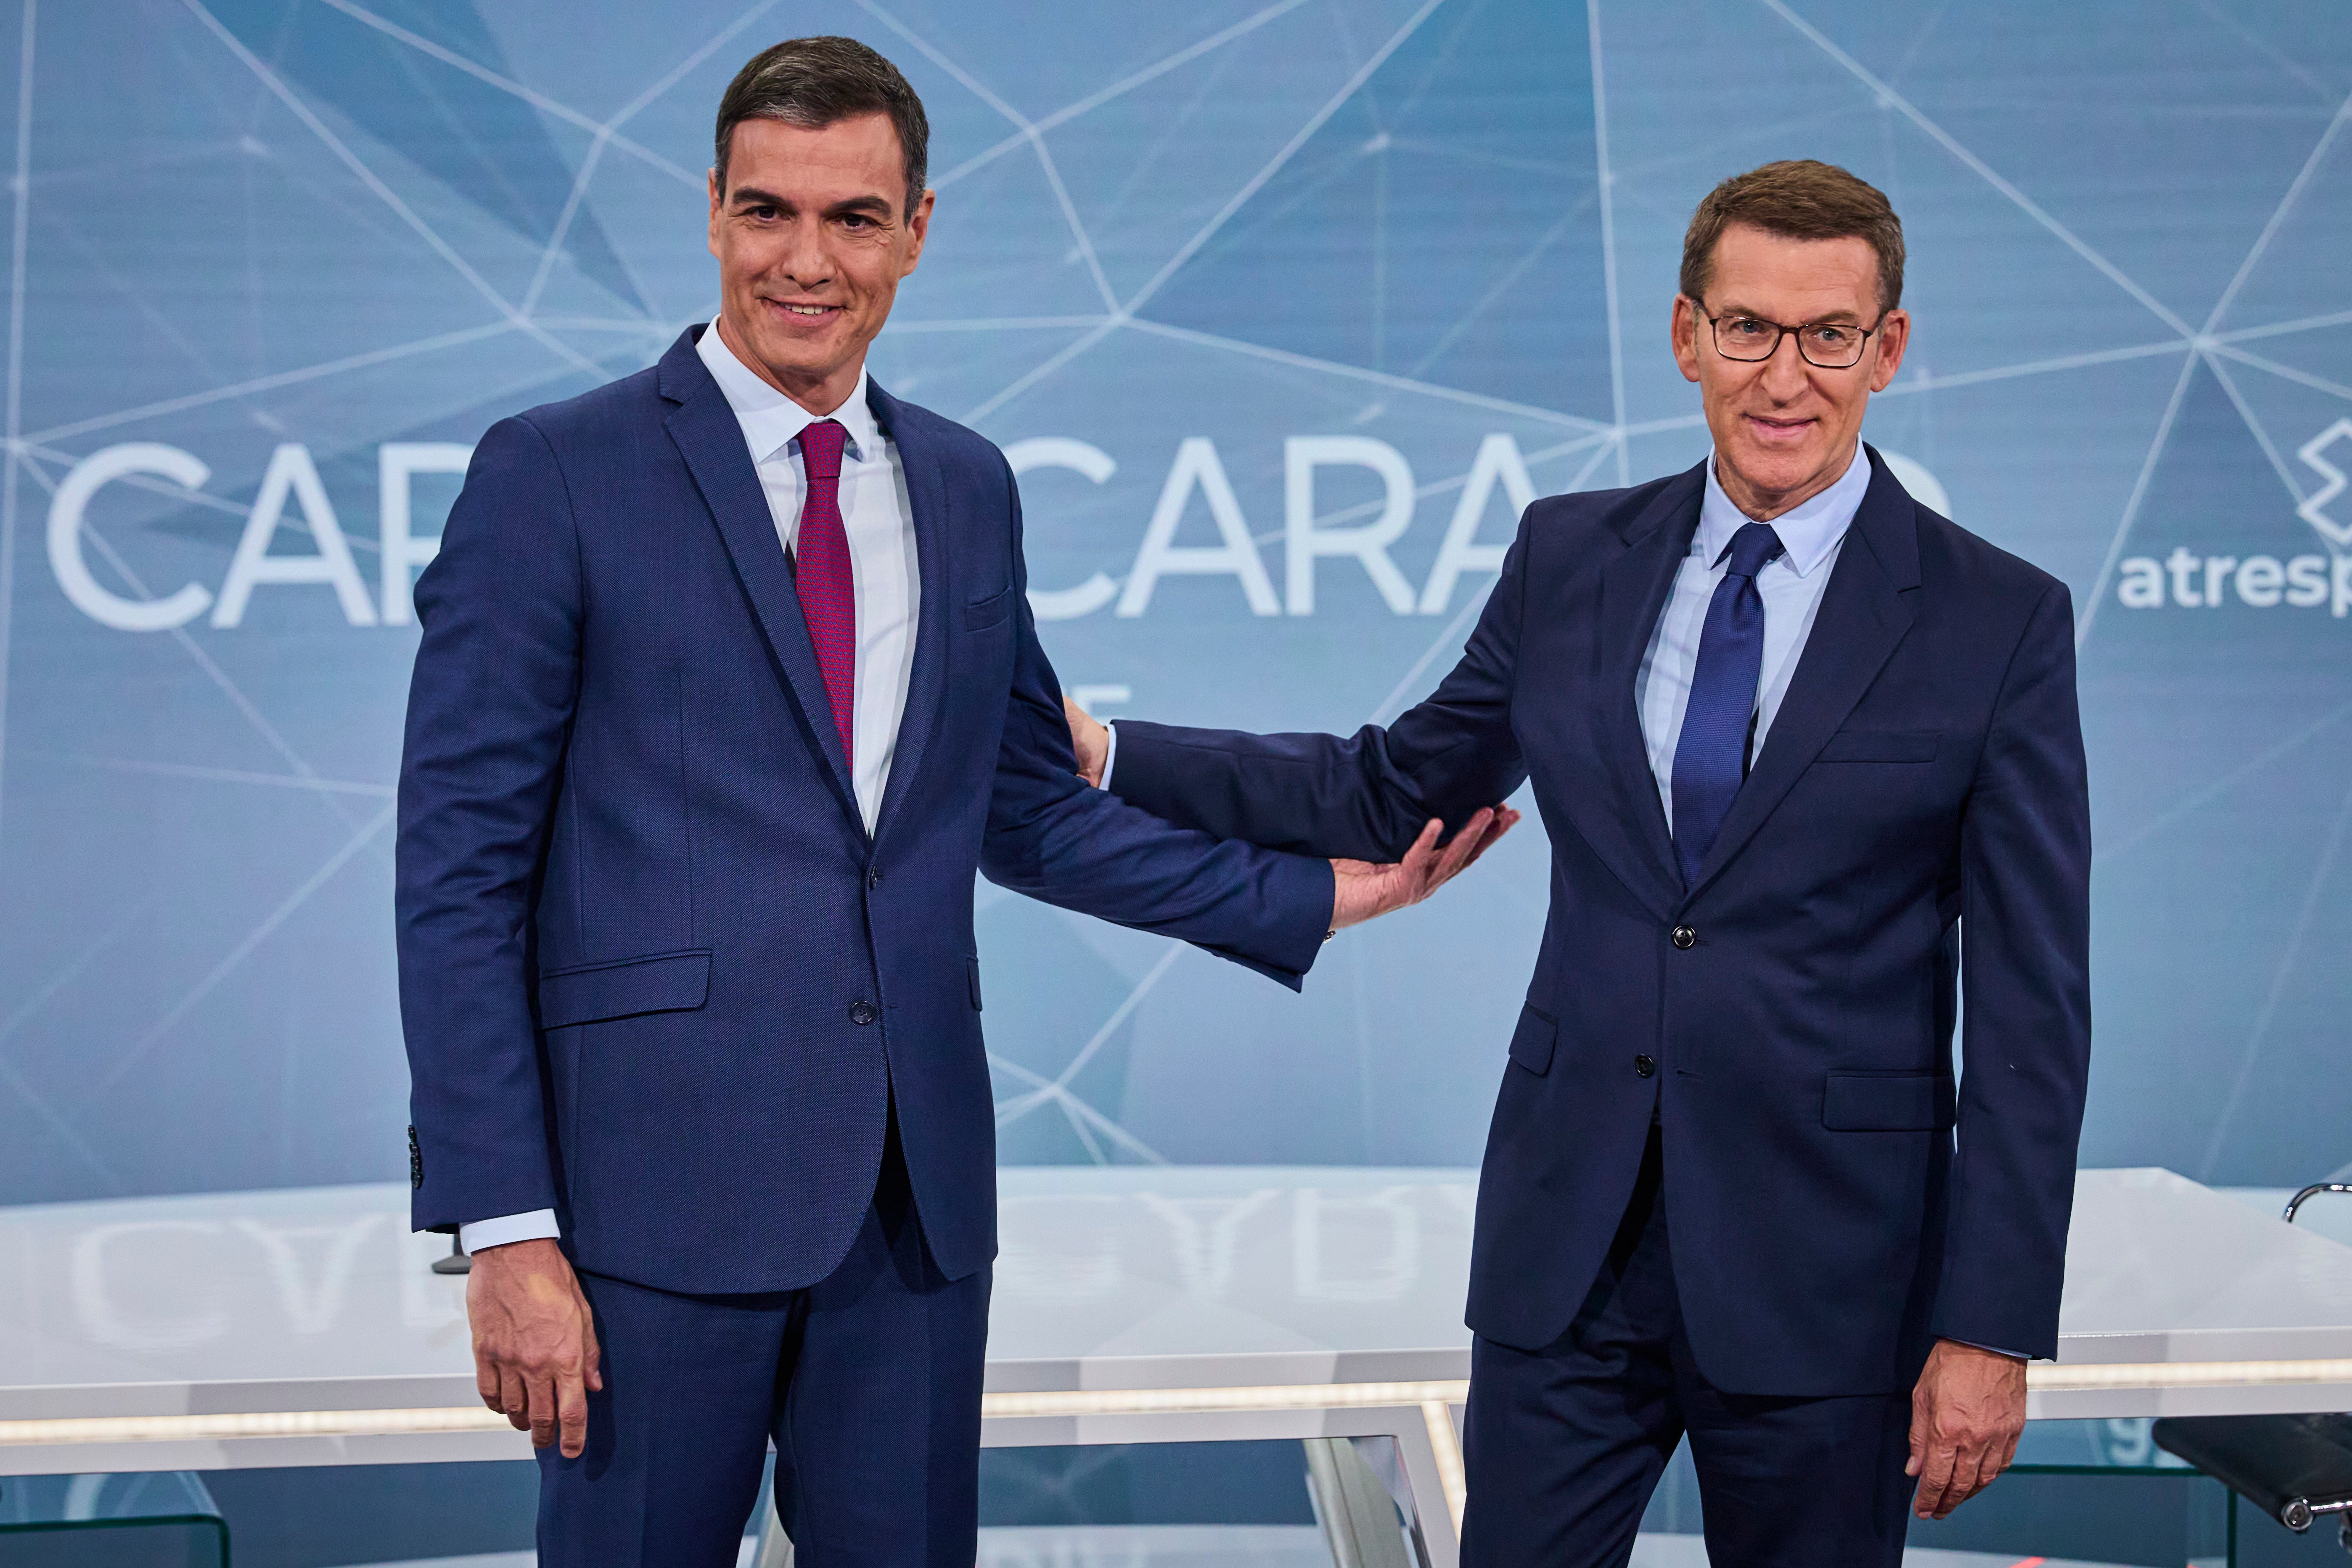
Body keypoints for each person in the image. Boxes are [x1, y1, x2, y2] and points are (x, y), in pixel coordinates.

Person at [395, 37, 1510, 1568]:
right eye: (768, 212)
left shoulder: (965, 484)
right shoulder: (556, 473)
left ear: (916, 231)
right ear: (712, 212)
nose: (806, 261)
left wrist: (1313, 894)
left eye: (852, 218)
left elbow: (1028, 808)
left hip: (909, 1214)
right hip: (643, 1217)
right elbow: (458, 872)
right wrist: (504, 1228)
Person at [1066, 159, 2091, 1565]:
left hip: (1831, 1276)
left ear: (1887, 349)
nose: (1782, 376)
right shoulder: (1570, 556)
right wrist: (1111, 750)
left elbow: (2033, 1010)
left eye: (1826, 335)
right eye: (1747, 327)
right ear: (1685, 335)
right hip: (1568, 1255)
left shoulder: (1996, 619)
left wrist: (1989, 1324)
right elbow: (1387, 785)